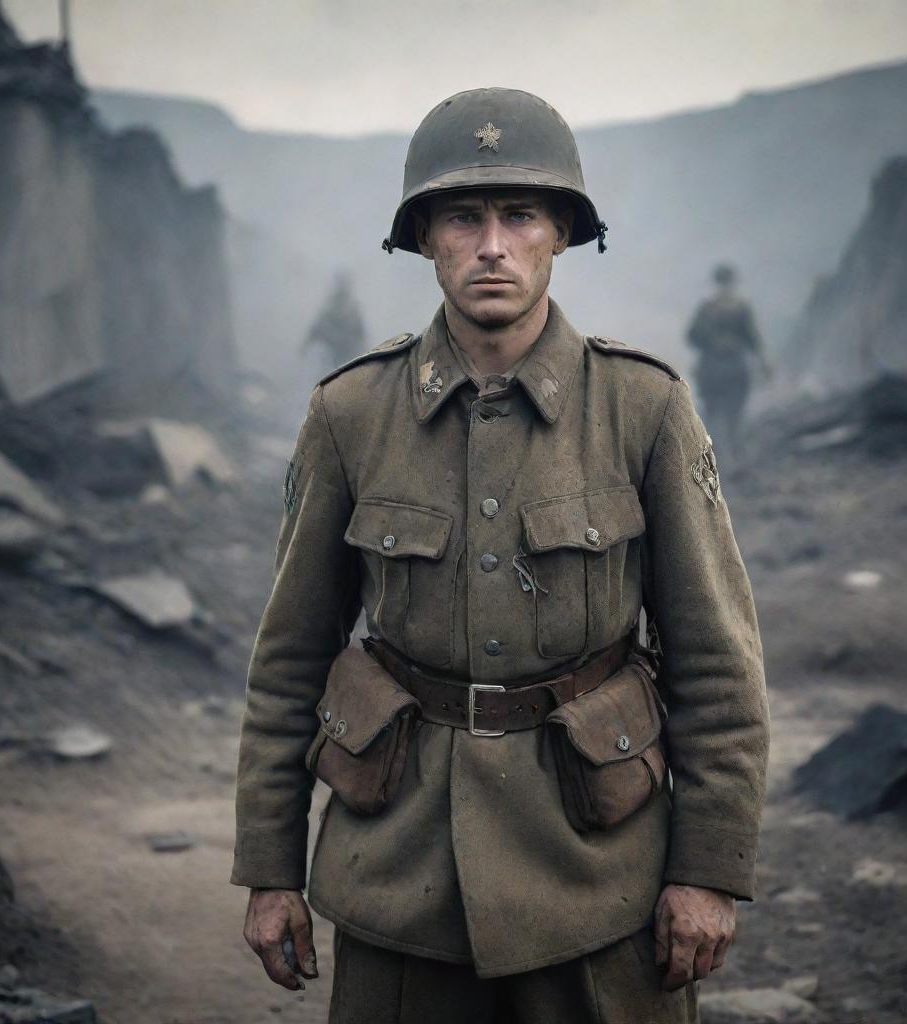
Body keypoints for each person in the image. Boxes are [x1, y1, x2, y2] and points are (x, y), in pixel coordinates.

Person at [231, 88, 770, 1024]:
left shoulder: (644, 409)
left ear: (559, 231)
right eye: (462, 217)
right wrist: (270, 869)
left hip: (599, 876)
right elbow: (288, 660)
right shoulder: (350, 415)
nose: (491, 245)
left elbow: (718, 662)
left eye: (519, 214)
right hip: (402, 877)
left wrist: (709, 872)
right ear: (424, 238)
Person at [685, 264, 771, 468]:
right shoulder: (732, 308)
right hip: (722, 369)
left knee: (727, 415)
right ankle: (725, 459)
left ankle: (726, 460)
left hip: (722, 369)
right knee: (724, 415)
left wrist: (763, 362)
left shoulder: (712, 308)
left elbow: (752, 340)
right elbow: (753, 340)